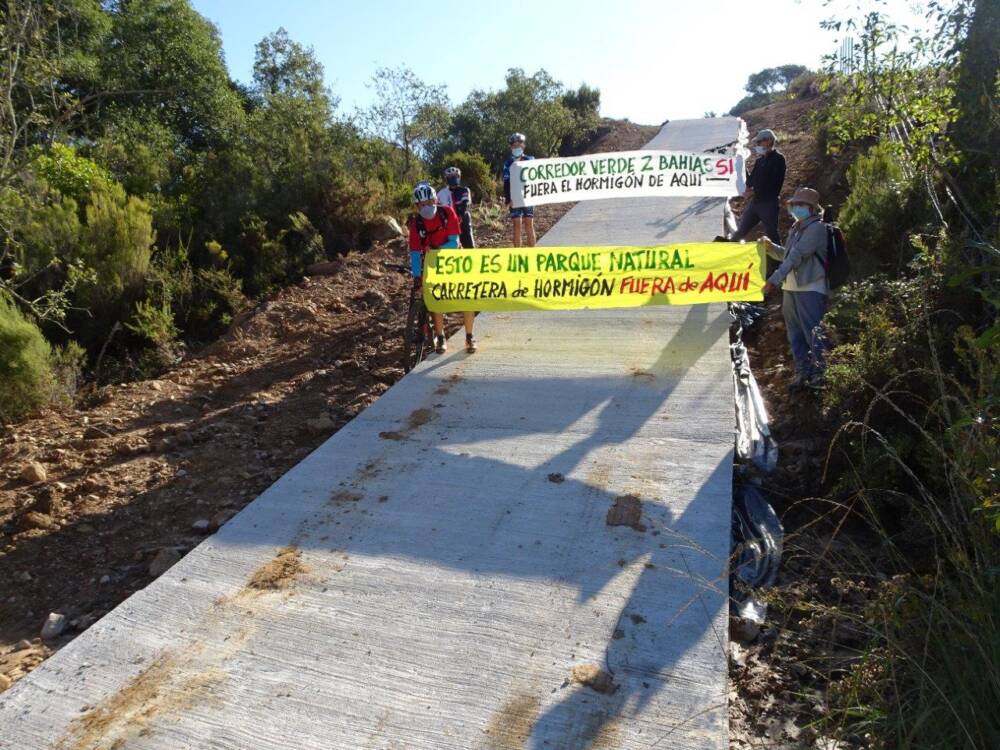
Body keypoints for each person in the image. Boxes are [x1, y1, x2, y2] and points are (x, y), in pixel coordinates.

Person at [761, 187, 829, 389]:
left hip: (810, 287)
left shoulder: (817, 228)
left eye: (801, 205)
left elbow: (797, 257)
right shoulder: (796, 227)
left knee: (812, 331)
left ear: (811, 208)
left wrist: (773, 279)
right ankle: (802, 371)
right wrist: (771, 248)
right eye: (794, 205)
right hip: (791, 288)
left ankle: (820, 373)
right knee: (794, 333)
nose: (796, 208)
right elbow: (787, 255)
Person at [407, 181, 477, 354]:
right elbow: (415, 253)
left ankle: (469, 336)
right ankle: (440, 338)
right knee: (435, 299)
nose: (427, 206)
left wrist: (437, 249)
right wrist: (417, 278)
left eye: (430, 202)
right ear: (417, 206)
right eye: (423, 204)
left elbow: (454, 242)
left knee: (466, 297)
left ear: (435, 200)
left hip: (454, 259)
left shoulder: (447, 212)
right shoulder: (416, 225)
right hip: (433, 263)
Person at [732, 129, 786, 246]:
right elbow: (750, 181)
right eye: (757, 143)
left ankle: (780, 262)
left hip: (769, 203)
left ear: (769, 141)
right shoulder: (759, 161)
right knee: (740, 232)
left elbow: (774, 182)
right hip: (755, 203)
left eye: (760, 142)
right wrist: (741, 166)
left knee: (772, 235)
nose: (758, 145)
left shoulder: (778, 159)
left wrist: (754, 190)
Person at [502, 132, 536, 247]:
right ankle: (518, 256)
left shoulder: (530, 159)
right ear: (511, 147)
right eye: (514, 146)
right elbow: (506, 182)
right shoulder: (508, 163)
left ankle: (533, 254)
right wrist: (507, 199)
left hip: (528, 196)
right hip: (514, 198)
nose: (517, 148)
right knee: (517, 225)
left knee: (529, 224)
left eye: (519, 146)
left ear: (523, 146)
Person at [437, 166, 474, 250]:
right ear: (446, 179)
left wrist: (460, 216)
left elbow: (466, 204)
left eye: (455, 176)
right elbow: (437, 207)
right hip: (448, 222)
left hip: (462, 219)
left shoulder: (464, 190)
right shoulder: (441, 193)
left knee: (469, 244)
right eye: (450, 177)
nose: (453, 178)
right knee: (452, 245)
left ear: (459, 177)